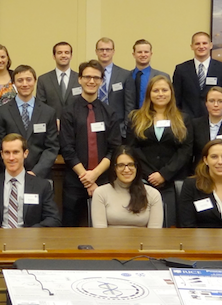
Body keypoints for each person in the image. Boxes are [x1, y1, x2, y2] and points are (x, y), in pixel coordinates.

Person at [60, 60, 122, 227]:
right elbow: (67, 149)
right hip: (74, 182)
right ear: (79, 79)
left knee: (104, 232)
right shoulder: (68, 111)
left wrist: (94, 175)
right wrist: (87, 178)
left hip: (103, 181)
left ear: (102, 81)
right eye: (87, 77)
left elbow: (114, 148)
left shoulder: (109, 112)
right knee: (70, 231)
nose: (91, 81)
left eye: (96, 77)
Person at [126, 76, 193, 226]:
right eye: (156, 90)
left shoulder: (183, 119)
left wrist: (164, 174)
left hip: (172, 181)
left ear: (171, 93)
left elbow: (186, 150)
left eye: (164, 90)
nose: (160, 94)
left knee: (168, 223)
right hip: (144, 180)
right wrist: (150, 174)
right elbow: (132, 148)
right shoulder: (136, 117)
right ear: (149, 94)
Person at [0, 134, 60, 228]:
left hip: (30, 240)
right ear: (1, 154)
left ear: (25, 153)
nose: (11, 158)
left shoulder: (41, 186)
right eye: (7, 152)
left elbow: (53, 218)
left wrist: (30, 233)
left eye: (15, 152)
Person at [0, 65, 59, 179]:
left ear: (35, 81)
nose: (24, 84)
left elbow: (52, 147)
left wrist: (36, 172)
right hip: (10, 174)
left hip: (40, 175)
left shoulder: (48, 112)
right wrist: (16, 170)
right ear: (13, 84)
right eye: (20, 80)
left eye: (28, 79)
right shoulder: (1, 112)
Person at [91, 145, 164, 228]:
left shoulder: (153, 194)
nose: (126, 170)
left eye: (131, 164)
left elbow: (155, 234)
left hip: (142, 241)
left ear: (137, 167)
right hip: (109, 241)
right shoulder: (100, 193)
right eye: (121, 165)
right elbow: (100, 233)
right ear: (114, 168)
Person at [172, 32, 222, 119]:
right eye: (197, 44)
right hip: (187, 121)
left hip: (214, 120)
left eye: (204, 43)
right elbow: (176, 98)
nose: (201, 46)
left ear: (211, 45)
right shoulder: (181, 69)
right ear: (192, 46)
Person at [124, 39, 170, 119]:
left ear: (151, 54)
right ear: (133, 54)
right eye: (139, 52)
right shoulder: (126, 76)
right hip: (131, 121)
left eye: (146, 52)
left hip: (154, 119)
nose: (143, 54)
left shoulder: (162, 76)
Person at [36, 42, 80, 118]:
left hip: (75, 124)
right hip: (52, 125)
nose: (63, 55)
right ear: (54, 56)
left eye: (67, 52)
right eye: (59, 53)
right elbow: (40, 106)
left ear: (71, 56)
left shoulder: (80, 78)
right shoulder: (43, 79)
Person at [93, 37, 133, 122]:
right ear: (96, 52)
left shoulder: (125, 75)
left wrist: (125, 129)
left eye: (108, 50)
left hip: (117, 125)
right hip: (93, 121)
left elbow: (129, 105)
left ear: (113, 52)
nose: (104, 52)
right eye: (101, 49)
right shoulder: (89, 75)